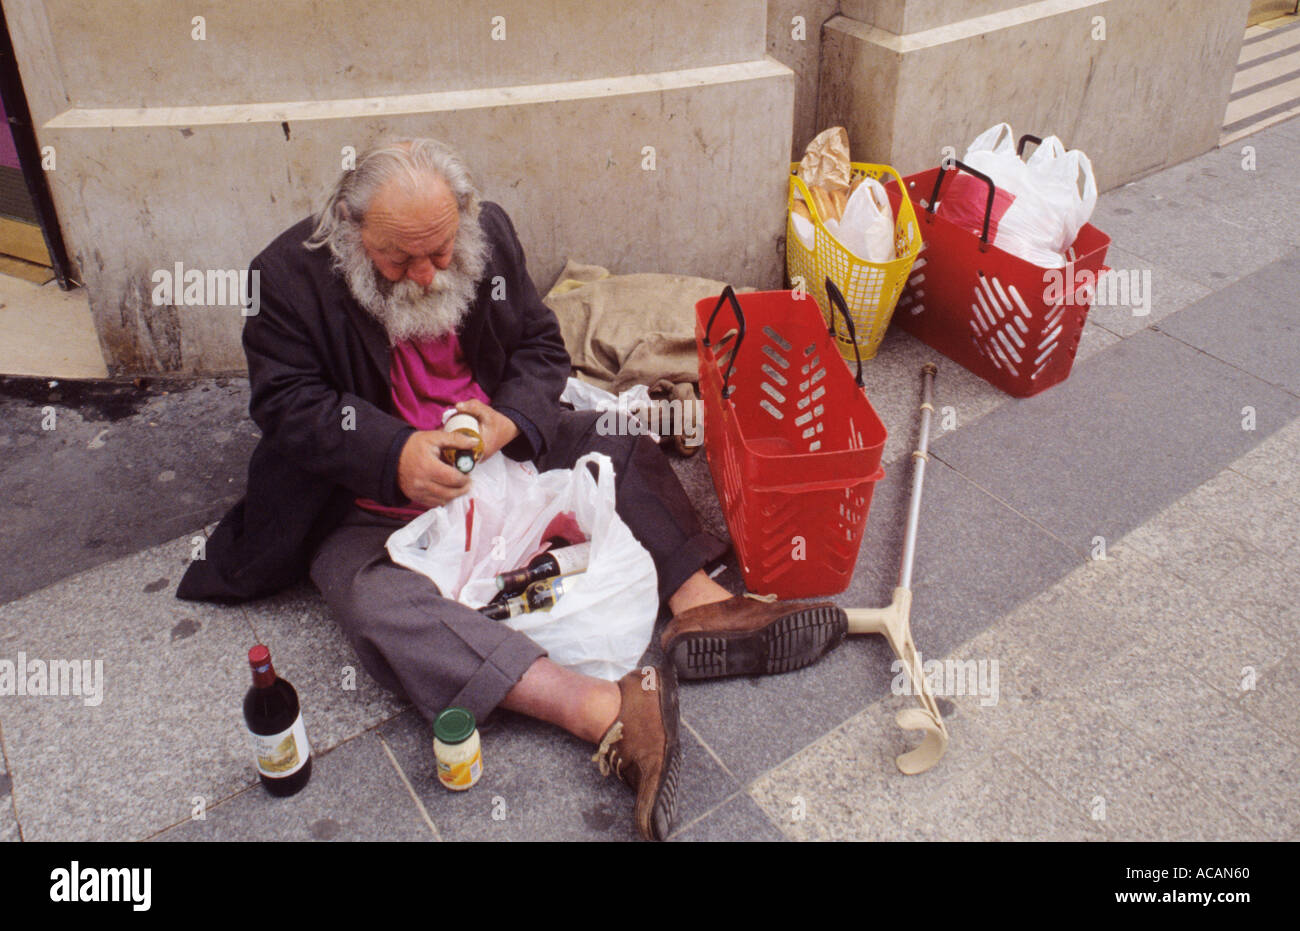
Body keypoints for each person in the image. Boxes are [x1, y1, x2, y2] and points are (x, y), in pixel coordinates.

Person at [178, 138, 849, 840]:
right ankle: (607, 710)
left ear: (464, 217)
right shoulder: (286, 278)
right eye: (399, 259)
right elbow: (286, 404)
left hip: (492, 447)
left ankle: (702, 606)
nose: (428, 277)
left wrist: (509, 421)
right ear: (349, 228)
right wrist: (393, 451)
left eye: (440, 251)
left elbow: (538, 346)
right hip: (369, 498)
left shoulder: (488, 234)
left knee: (618, 442)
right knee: (374, 601)